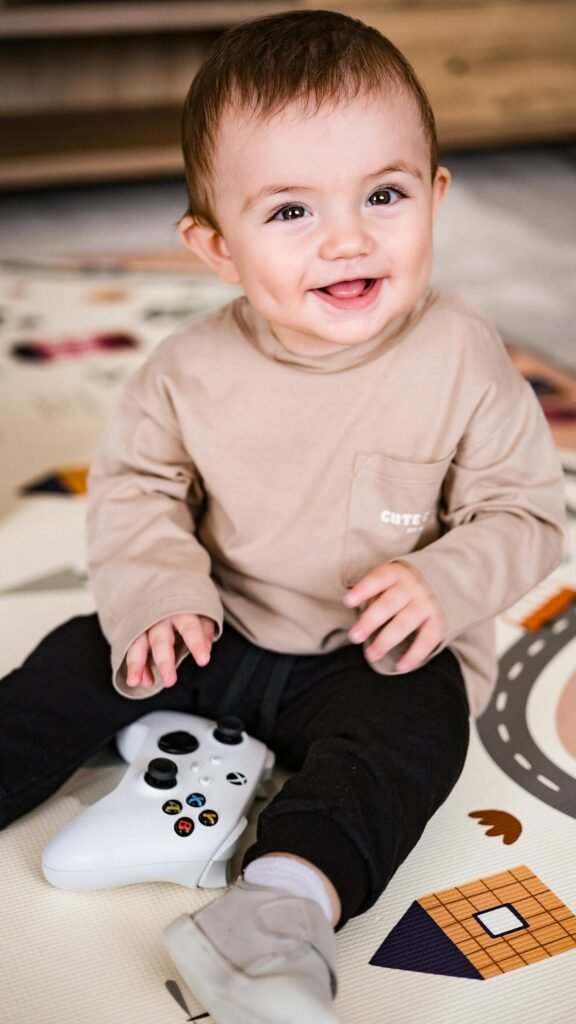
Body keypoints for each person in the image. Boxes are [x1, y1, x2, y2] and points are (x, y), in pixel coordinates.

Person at [0, 10, 566, 1024]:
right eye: (291, 211)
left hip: (369, 656)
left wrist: (446, 579)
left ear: (436, 196)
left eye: (384, 194)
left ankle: (276, 911)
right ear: (215, 246)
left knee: (418, 732)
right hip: (213, 625)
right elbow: (136, 491)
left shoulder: (461, 356)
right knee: (75, 658)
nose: (349, 236)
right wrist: (162, 599)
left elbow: (525, 511)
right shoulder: (187, 373)